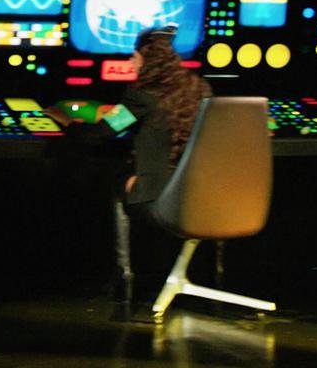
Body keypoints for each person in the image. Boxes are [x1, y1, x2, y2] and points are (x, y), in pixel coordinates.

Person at [43, 25, 211, 319]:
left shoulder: (142, 96)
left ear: (149, 60)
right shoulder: (201, 90)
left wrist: (66, 122)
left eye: (134, 56)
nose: (131, 62)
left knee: (119, 183)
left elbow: (100, 134)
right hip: (197, 194)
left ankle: (124, 278)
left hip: (159, 197)